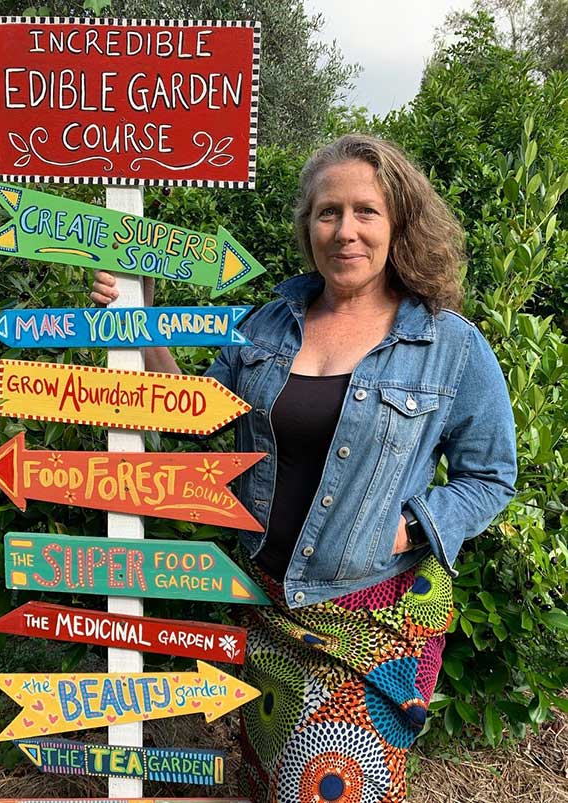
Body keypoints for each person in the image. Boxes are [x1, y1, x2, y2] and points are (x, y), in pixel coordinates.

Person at [91, 134, 517, 803]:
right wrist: (138, 319)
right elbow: (199, 417)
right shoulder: (265, 328)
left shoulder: (450, 345)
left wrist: (409, 528)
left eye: (365, 211)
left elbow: (490, 474)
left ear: (398, 222)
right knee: (267, 784)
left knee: (330, 785)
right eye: (328, 212)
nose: (346, 230)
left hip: (374, 618)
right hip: (268, 607)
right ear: (308, 226)